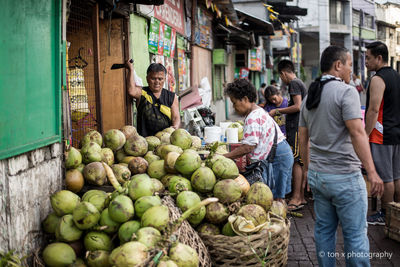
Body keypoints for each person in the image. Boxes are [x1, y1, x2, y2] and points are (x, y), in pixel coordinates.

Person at [298, 45, 383, 266]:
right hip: (344, 177)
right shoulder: (347, 92)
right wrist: (372, 172)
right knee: (354, 235)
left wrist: (307, 169)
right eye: (349, 65)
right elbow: (357, 133)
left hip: (319, 176)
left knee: (324, 232)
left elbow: (302, 138)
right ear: (338, 65)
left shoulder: (310, 96)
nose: (350, 71)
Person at [223, 79, 294, 202]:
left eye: (234, 103)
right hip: (280, 155)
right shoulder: (257, 112)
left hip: (278, 159)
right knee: (271, 197)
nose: (234, 107)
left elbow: (248, 147)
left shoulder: (253, 118)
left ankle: (279, 219)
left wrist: (226, 156)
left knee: (275, 198)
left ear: (245, 99)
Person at [365, 41, 400, 225]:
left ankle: (386, 215)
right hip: (396, 133)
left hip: (382, 135)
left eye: (368, 58)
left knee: (386, 178)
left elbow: (372, 110)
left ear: (379, 58)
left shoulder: (378, 79)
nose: (365, 62)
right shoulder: (396, 75)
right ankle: (396, 212)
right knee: (396, 176)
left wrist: (364, 134)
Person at [271, 59, 307, 211]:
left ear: (284, 73)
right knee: (299, 161)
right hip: (299, 127)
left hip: (297, 128)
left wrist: (277, 111)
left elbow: (297, 106)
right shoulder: (299, 82)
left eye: (281, 76)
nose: (281, 79)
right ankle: (301, 196)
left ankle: (297, 197)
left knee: (296, 161)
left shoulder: (294, 84)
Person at [126, 61, 180, 137]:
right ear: (147, 79)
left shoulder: (171, 96)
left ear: (164, 79)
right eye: (153, 78)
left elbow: (175, 117)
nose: (157, 82)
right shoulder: (142, 93)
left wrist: (175, 127)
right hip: (144, 142)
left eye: (160, 79)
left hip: (166, 141)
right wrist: (131, 69)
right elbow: (131, 91)